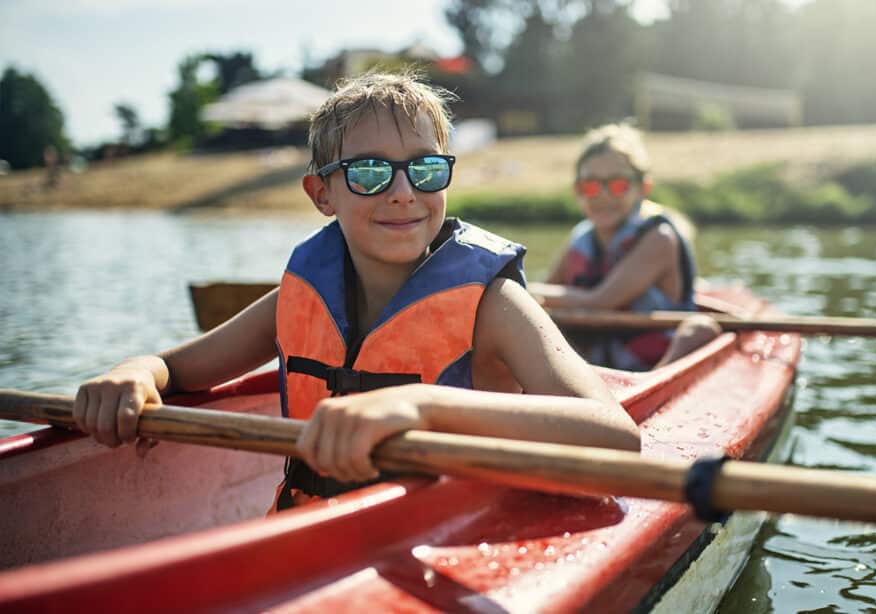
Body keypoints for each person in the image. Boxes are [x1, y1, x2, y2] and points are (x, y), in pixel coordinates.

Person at [72, 72, 639, 511]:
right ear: (322, 194)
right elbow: (179, 368)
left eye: (425, 170)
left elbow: (615, 438)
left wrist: (420, 403)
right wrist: (137, 371)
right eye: (369, 172)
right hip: (314, 534)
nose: (401, 193)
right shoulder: (299, 295)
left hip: (449, 537)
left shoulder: (493, 305)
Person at [532, 123, 721, 371]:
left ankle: (654, 387)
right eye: (590, 185)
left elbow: (599, 301)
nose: (603, 196)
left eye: (618, 184)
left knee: (699, 330)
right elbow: (550, 290)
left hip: (655, 359)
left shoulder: (659, 238)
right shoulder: (582, 237)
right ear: (577, 190)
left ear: (643, 188)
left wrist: (529, 292)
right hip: (599, 358)